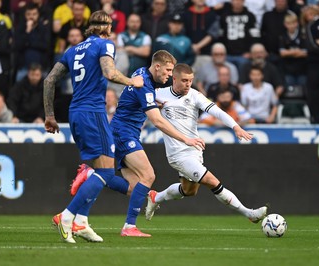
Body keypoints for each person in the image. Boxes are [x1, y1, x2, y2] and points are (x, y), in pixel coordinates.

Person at [43, 10, 144, 244]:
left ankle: (82, 221)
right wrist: (132, 81)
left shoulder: (72, 50)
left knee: (100, 168)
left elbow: (49, 80)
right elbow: (109, 72)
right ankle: (66, 216)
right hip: (93, 113)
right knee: (107, 172)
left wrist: (49, 115)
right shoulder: (105, 45)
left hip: (75, 113)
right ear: (107, 28)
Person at [145, 63, 267, 223]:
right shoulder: (158, 94)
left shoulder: (195, 95)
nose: (188, 84)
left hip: (194, 150)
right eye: (184, 81)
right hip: (178, 154)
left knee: (189, 191)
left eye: (190, 80)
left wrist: (236, 126)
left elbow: (216, 111)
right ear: (174, 78)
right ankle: (249, 214)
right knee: (213, 182)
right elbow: (137, 103)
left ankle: (156, 197)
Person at [109, 51, 205, 237]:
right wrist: (186, 139)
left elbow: (140, 98)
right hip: (123, 133)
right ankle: (129, 227)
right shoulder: (144, 83)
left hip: (123, 132)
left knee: (134, 187)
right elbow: (157, 121)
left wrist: (155, 101)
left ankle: (92, 176)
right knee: (148, 175)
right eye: (168, 70)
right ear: (157, 66)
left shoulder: (141, 73)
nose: (170, 75)